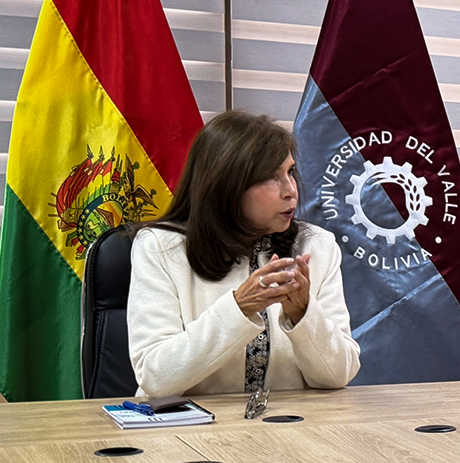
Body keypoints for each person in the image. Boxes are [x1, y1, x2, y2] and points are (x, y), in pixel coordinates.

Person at [128, 110, 360, 415]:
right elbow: (156, 378)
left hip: (289, 428)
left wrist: (303, 314)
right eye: (271, 177)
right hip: (189, 432)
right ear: (226, 184)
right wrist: (238, 308)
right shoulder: (161, 248)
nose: (291, 191)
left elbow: (339, 375)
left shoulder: (316, 246)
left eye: (290, 172)